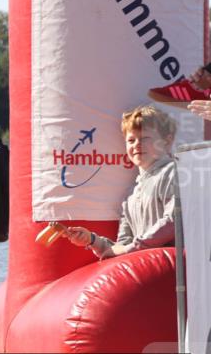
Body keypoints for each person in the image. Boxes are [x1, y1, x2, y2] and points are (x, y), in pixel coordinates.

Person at [63, 106, 177, 259]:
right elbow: (122, 247)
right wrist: (92, 240)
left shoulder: (174, 172)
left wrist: (132, 248)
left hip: (176, 273)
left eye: (144, 138)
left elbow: (174, 221)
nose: (136, 144)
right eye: (131, 140)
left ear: (167, 141)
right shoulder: (130, 194)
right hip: (145, 273)